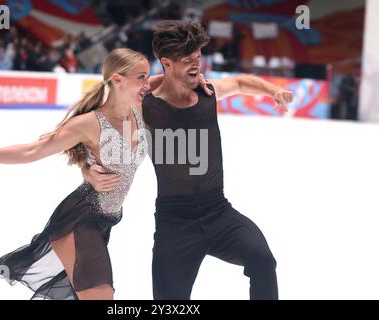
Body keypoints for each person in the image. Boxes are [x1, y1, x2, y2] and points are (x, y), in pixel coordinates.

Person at [82, 20, 293, 300]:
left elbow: (240, 82)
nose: (196, 64)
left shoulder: (207, 93)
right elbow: (94, 132)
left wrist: (272, 90)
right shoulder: (145, 107)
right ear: (166, 63)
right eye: (186, 59)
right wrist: (88, 169)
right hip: (174, 222)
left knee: (263, 260)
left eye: (197, 56)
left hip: (218, 211)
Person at [0, 48, 155, 300]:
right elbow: (32, 151)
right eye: (142, 77)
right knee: (100, 295)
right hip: (80, 218)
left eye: (148, 76)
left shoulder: (141, 110)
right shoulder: (88, 123)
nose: (148, 83)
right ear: (118, 79)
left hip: (106, 220)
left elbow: (177, 80)